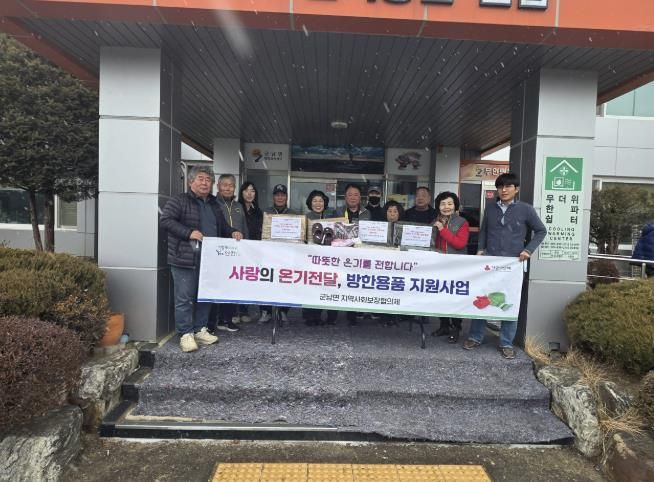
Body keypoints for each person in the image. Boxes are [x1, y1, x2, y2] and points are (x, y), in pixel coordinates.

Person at [464, 172, 547, 359]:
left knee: (510, 301)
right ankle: (475, 336)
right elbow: (484, 231)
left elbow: (541, 231)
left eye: (508, 186)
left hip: (513, 265)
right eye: (500, 187)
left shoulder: (526, 210)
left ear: (516, 189)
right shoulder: (491, 208)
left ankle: (506, 343)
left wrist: (528, 250)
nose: (504, 190)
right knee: (482, 298)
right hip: (490, 263)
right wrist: (480, 249)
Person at [160, 166, 242, 353]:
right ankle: (185, 334)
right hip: (184, 258)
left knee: (205, 295)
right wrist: (188, 232)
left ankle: (200, 329)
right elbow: (166, 220)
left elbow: (222, 226)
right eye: (201, 179)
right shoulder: (179, 200)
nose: (205, 183)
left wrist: (233, 232)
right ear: (191, 181)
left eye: (208, 180)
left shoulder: (213, 204)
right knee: (184, 297)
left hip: (209, 259)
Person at [430, 191, 470, 343]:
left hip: (456, 266)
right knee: (440, 296)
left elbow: (460, 244)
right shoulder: (434, 221)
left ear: (455, 205)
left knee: (454, 298)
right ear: (438, 206)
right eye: (443, 204)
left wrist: (442, 229)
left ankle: (456, 328)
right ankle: (444, 325)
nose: (446, 207)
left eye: (450, 203)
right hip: (438, 265)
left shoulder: (462, 222)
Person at [214, 174, 249, 332]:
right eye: (224, 185)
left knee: (232, 285)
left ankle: (227, 319)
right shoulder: (213, 204)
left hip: (237, 252)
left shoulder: (238, 206)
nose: (228, 188)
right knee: (218, 285)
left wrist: (247, 246)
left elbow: (244, 227)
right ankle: (214, 320)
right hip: (219, 251)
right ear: (218, 187)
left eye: (231, 185)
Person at [260, 184, 298, 324]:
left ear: (286, 197)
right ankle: (266, 311)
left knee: (286, 283)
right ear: (273, 197)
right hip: (268, 254)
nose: (280, 197)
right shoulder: (266, 212)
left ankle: (283, 311)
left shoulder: (293, 213)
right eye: (277, 195)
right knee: (266, 282)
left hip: (287, 255)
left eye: (282, 195)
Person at [335, 183, 370, 325]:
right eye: (350, 194)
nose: (353, 197)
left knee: (354, 284)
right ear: (345, 197)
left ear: (360, 197)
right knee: (337, 283)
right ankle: (332, 315)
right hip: (340, 254)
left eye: (356, 195)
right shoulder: (337, 211)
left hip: (359, 254)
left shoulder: (367, 213)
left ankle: (352, 315)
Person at [303, 190, 338, 326]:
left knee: (328, 286)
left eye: (321, 201)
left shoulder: (331, 217)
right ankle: (311, 317)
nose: (318, 204)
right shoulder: (306, 218)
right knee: (312, 286)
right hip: (311, 259)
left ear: (325, 203)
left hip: (328, 259)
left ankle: (329, 316)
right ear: (310, 203)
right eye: (315, 201)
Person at [237, 181, 263, 323]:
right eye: (246, 190)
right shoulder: (236, 208)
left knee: (247, 280)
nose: (249, 193)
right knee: (237, 279)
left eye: (252, 191)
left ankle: (244, 310)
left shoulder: (257, 211)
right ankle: (235, 312)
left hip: (254, 250)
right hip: (239, 249)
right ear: (241, 192)